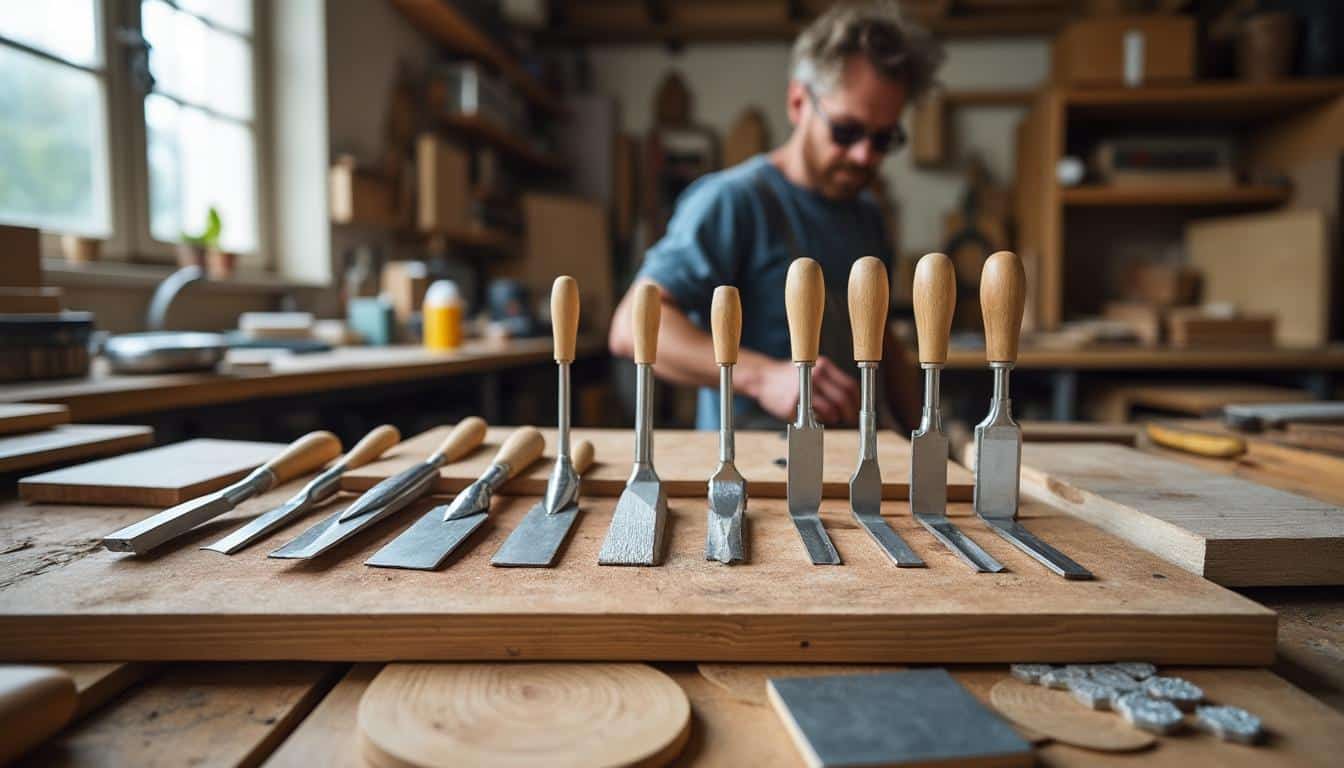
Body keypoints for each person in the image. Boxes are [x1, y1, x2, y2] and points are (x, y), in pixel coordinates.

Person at [608, 1, 943, 431]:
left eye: (883, 139)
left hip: (853, 464)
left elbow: (882, 341)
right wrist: (763, 377)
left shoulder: (867, 214)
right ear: (798, 102)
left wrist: (924, 436)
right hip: (756, 470)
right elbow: (630, 327)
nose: (864, 155)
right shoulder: (732, 202)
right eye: (846, 131)